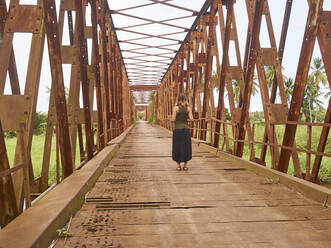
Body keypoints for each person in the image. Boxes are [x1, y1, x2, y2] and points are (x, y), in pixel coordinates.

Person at [171, 93, 194, 171]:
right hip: (186, 130)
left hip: (177, 130)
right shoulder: (188, 108)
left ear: (178, 100)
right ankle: (185, 166)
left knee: (177, 147)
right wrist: (186, 119)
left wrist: (174, 119)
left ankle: (178, 166)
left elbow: (173, 119)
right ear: (185, 99)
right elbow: (191, 119)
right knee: (186, 147)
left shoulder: (176, 108)